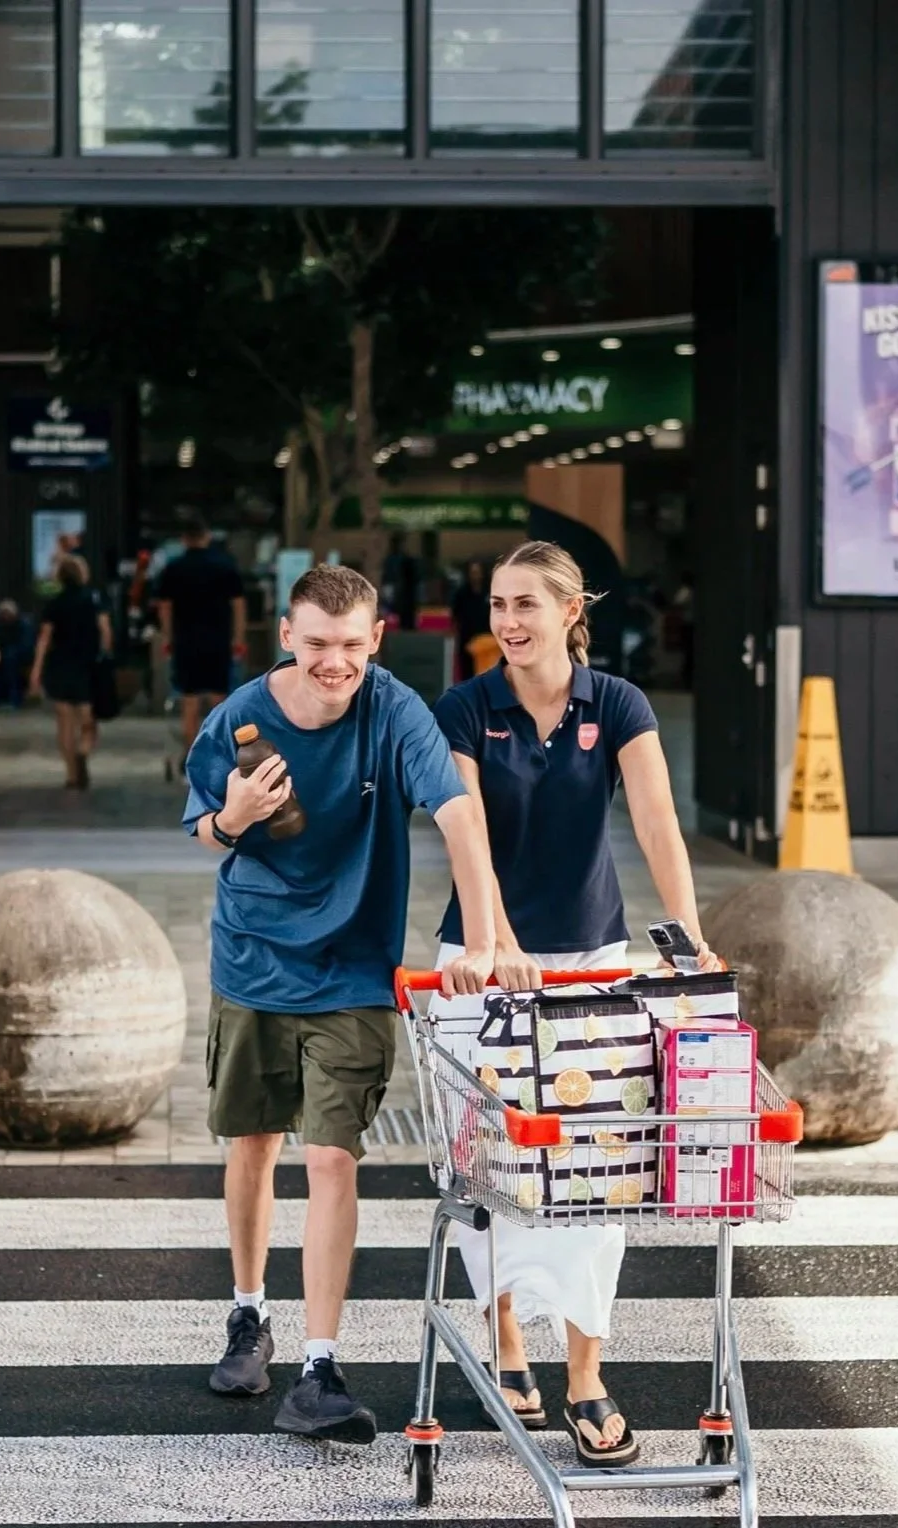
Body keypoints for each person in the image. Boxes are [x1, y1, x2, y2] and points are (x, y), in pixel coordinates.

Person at [184, 563, 500, 1444]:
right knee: (253, 1141)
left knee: (331, 1157)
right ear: (287, 635)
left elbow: (457, 813)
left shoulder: (395, 711)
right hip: (253, 959)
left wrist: (483, 939)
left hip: (354, 970)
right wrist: (235, 816)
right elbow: (204, 829)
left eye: (352, 645)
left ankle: (319, 1367)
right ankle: (248, 1312)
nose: (335, 662)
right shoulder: (238, 718)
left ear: (377, 639)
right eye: (318, 643)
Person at [430, 539, 721, 1469]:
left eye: (526, 603)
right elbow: (468, 835)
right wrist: (499, 940)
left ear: (569, 611)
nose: (508, 620)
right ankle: (507, 1338)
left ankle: (587, 1374)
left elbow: (656, 821)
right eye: (497, 603)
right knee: (493, 1169)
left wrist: (687, 938)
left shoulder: (619, 704)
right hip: (482, 960)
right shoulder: (467, 707)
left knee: (597, 1175)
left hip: (592, 959)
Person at [153, 517, 249, 759]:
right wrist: (238, 638)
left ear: (184, 540)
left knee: (190, 701)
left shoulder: (173, 569)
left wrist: (167, 637)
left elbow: (165, 607)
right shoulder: (225, 566)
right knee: (220, 699)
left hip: (185, 641)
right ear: (207, 537)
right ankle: (220, 754)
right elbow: (238, 605)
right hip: (219, 640)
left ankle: (191, 754)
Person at [29, 552, 112, 789]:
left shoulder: (55, 603)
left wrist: (36, 670)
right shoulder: (94, 599)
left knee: (64, 722)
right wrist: (106, 654)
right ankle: (83, 752)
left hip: (60, 666)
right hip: (87, 666)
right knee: (88, 720)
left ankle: (71, 774)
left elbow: (44, 639)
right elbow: (105, 630)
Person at [450, 558, 490, 681]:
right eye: (472, 572)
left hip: (487, 640)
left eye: (477, 572)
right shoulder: (461, 593)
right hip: (467, 639)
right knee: (468, 674)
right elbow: (455, 615)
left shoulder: (490, 591)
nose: (475, 576)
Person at [0, 598, 34, 709]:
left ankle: (15, 699)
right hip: (7, 655)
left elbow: (27, 644)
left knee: (11, 663)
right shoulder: (3, 625)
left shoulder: (24, 624)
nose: (5, 617)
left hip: (22, 655)